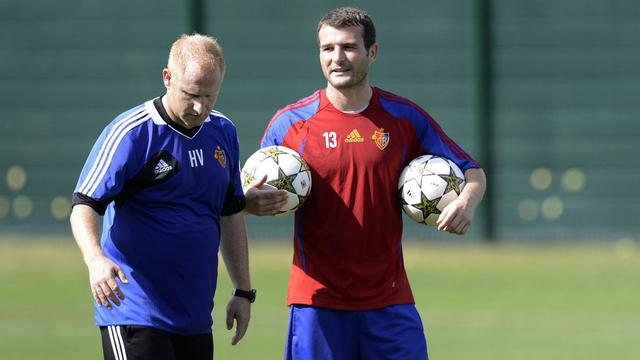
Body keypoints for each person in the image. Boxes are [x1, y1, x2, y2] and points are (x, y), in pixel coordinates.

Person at [260, 7, 487, 360]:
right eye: (327, 48)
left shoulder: (403, 117)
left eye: (349, 47)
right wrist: (250, 202)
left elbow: (472, 171)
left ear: (372, 52)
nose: (337, 58)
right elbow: (249, 190)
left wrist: (466, 201)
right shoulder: (290, 124)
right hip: (316, 302)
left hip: (389, 301)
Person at [69, 33, 287, 360]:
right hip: (134, 309)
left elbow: (228, 212)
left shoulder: (223, 131)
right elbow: (84, 205)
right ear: (167, 78)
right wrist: (95, 260)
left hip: (195, 315)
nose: (200, 107)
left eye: (210, 96)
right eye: (191, 95)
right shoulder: (131, 133)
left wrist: (243, 290)